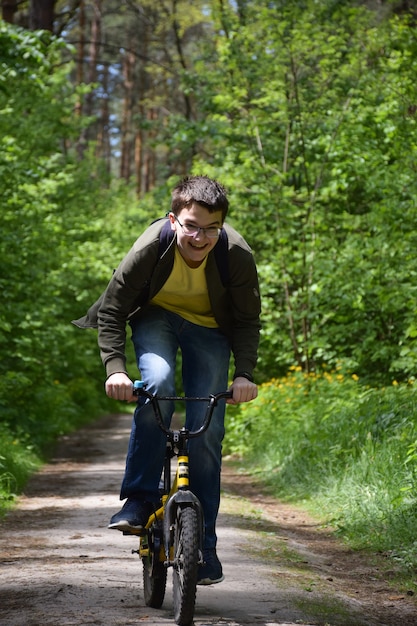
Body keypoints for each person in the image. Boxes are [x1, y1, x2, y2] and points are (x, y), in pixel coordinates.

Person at [73, 175, 261, 585]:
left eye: (212, 228)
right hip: (155, 315)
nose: (201, 237)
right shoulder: (149, 248)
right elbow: (112, 311)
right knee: (156, 384)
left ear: (222, 225)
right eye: (191, 225)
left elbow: (247, 321)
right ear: (174, 219)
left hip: (210, 329)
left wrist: (244, 374)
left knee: (205, 429)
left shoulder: (237, 255)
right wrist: (116, 370)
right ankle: (140, 500)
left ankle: (205, 548)